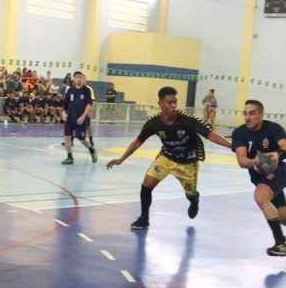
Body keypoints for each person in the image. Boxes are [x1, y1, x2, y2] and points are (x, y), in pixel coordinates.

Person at [107, 86, 231, 229]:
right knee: (146, 185)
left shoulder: (188, 121)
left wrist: (232, 146)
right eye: (169, 102)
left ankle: (194, 199)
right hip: (166, 158)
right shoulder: (153, 123)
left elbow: (211, 135)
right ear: (160, 104)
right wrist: (121, 159)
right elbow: (137, 142)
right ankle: (144, 219)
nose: (173, 105)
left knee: (190, 194)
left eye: (175, 102)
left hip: (188, 163)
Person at [231, 100, 286, 256]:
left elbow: (285, 146)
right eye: (245, 114)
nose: (248, 117)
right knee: (282, 217)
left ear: (261, 114)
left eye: (252, 113)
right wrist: (255, 162)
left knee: (260, 197)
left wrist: (276, 155)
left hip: (278, 171)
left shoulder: (273, 128)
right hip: (259, 176)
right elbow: (242, 160)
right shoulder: (240, 133)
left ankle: (281, 244)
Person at [61, 71, 97, 165]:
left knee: (81, 138)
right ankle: (69, 157)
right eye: (76, 77)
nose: (78, 79)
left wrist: (83, 116)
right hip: (70, 118)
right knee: (67, 137)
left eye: (80, 77)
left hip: (80, 118)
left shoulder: (86, 90)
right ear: (74, 79)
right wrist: (64, 113)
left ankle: (92, 150)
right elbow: (65, 105)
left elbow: (89, 104)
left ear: (83, 79)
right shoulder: (70, 90)